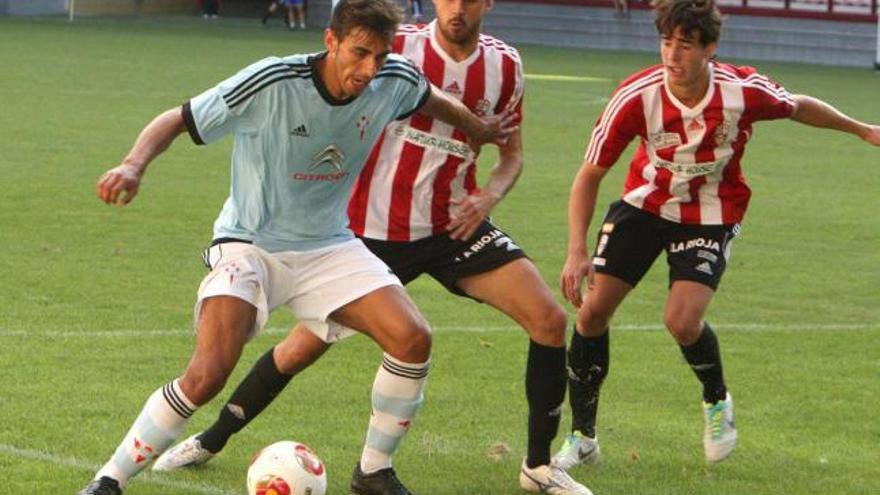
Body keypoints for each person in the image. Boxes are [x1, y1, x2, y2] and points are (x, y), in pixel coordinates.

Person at [75, 1, 517, 494]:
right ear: (331, 41)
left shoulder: (393, 78)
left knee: (412, 338)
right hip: (249, 243)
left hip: (328, 246)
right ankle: (109, 480)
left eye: (380, 55)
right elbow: (178, 118)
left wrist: (477, 129)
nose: (369, 69)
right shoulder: (273, 82)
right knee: (207, 374)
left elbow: (431, 97)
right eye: (359, 53)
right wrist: (133, 164)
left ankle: (373, 472)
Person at [553, 0, 880, 470]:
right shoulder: (635, 96)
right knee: (591, 314)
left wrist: (861, 129)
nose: (673, 54)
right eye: (666, 42)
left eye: (685, 44)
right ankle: (582, 436)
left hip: (711, 212)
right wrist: (576, 250)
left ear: (710, 47)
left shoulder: (741, 91)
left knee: (682, 321)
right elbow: (589, 175)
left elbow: (796, 106)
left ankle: (716, 401)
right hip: (644, 205)